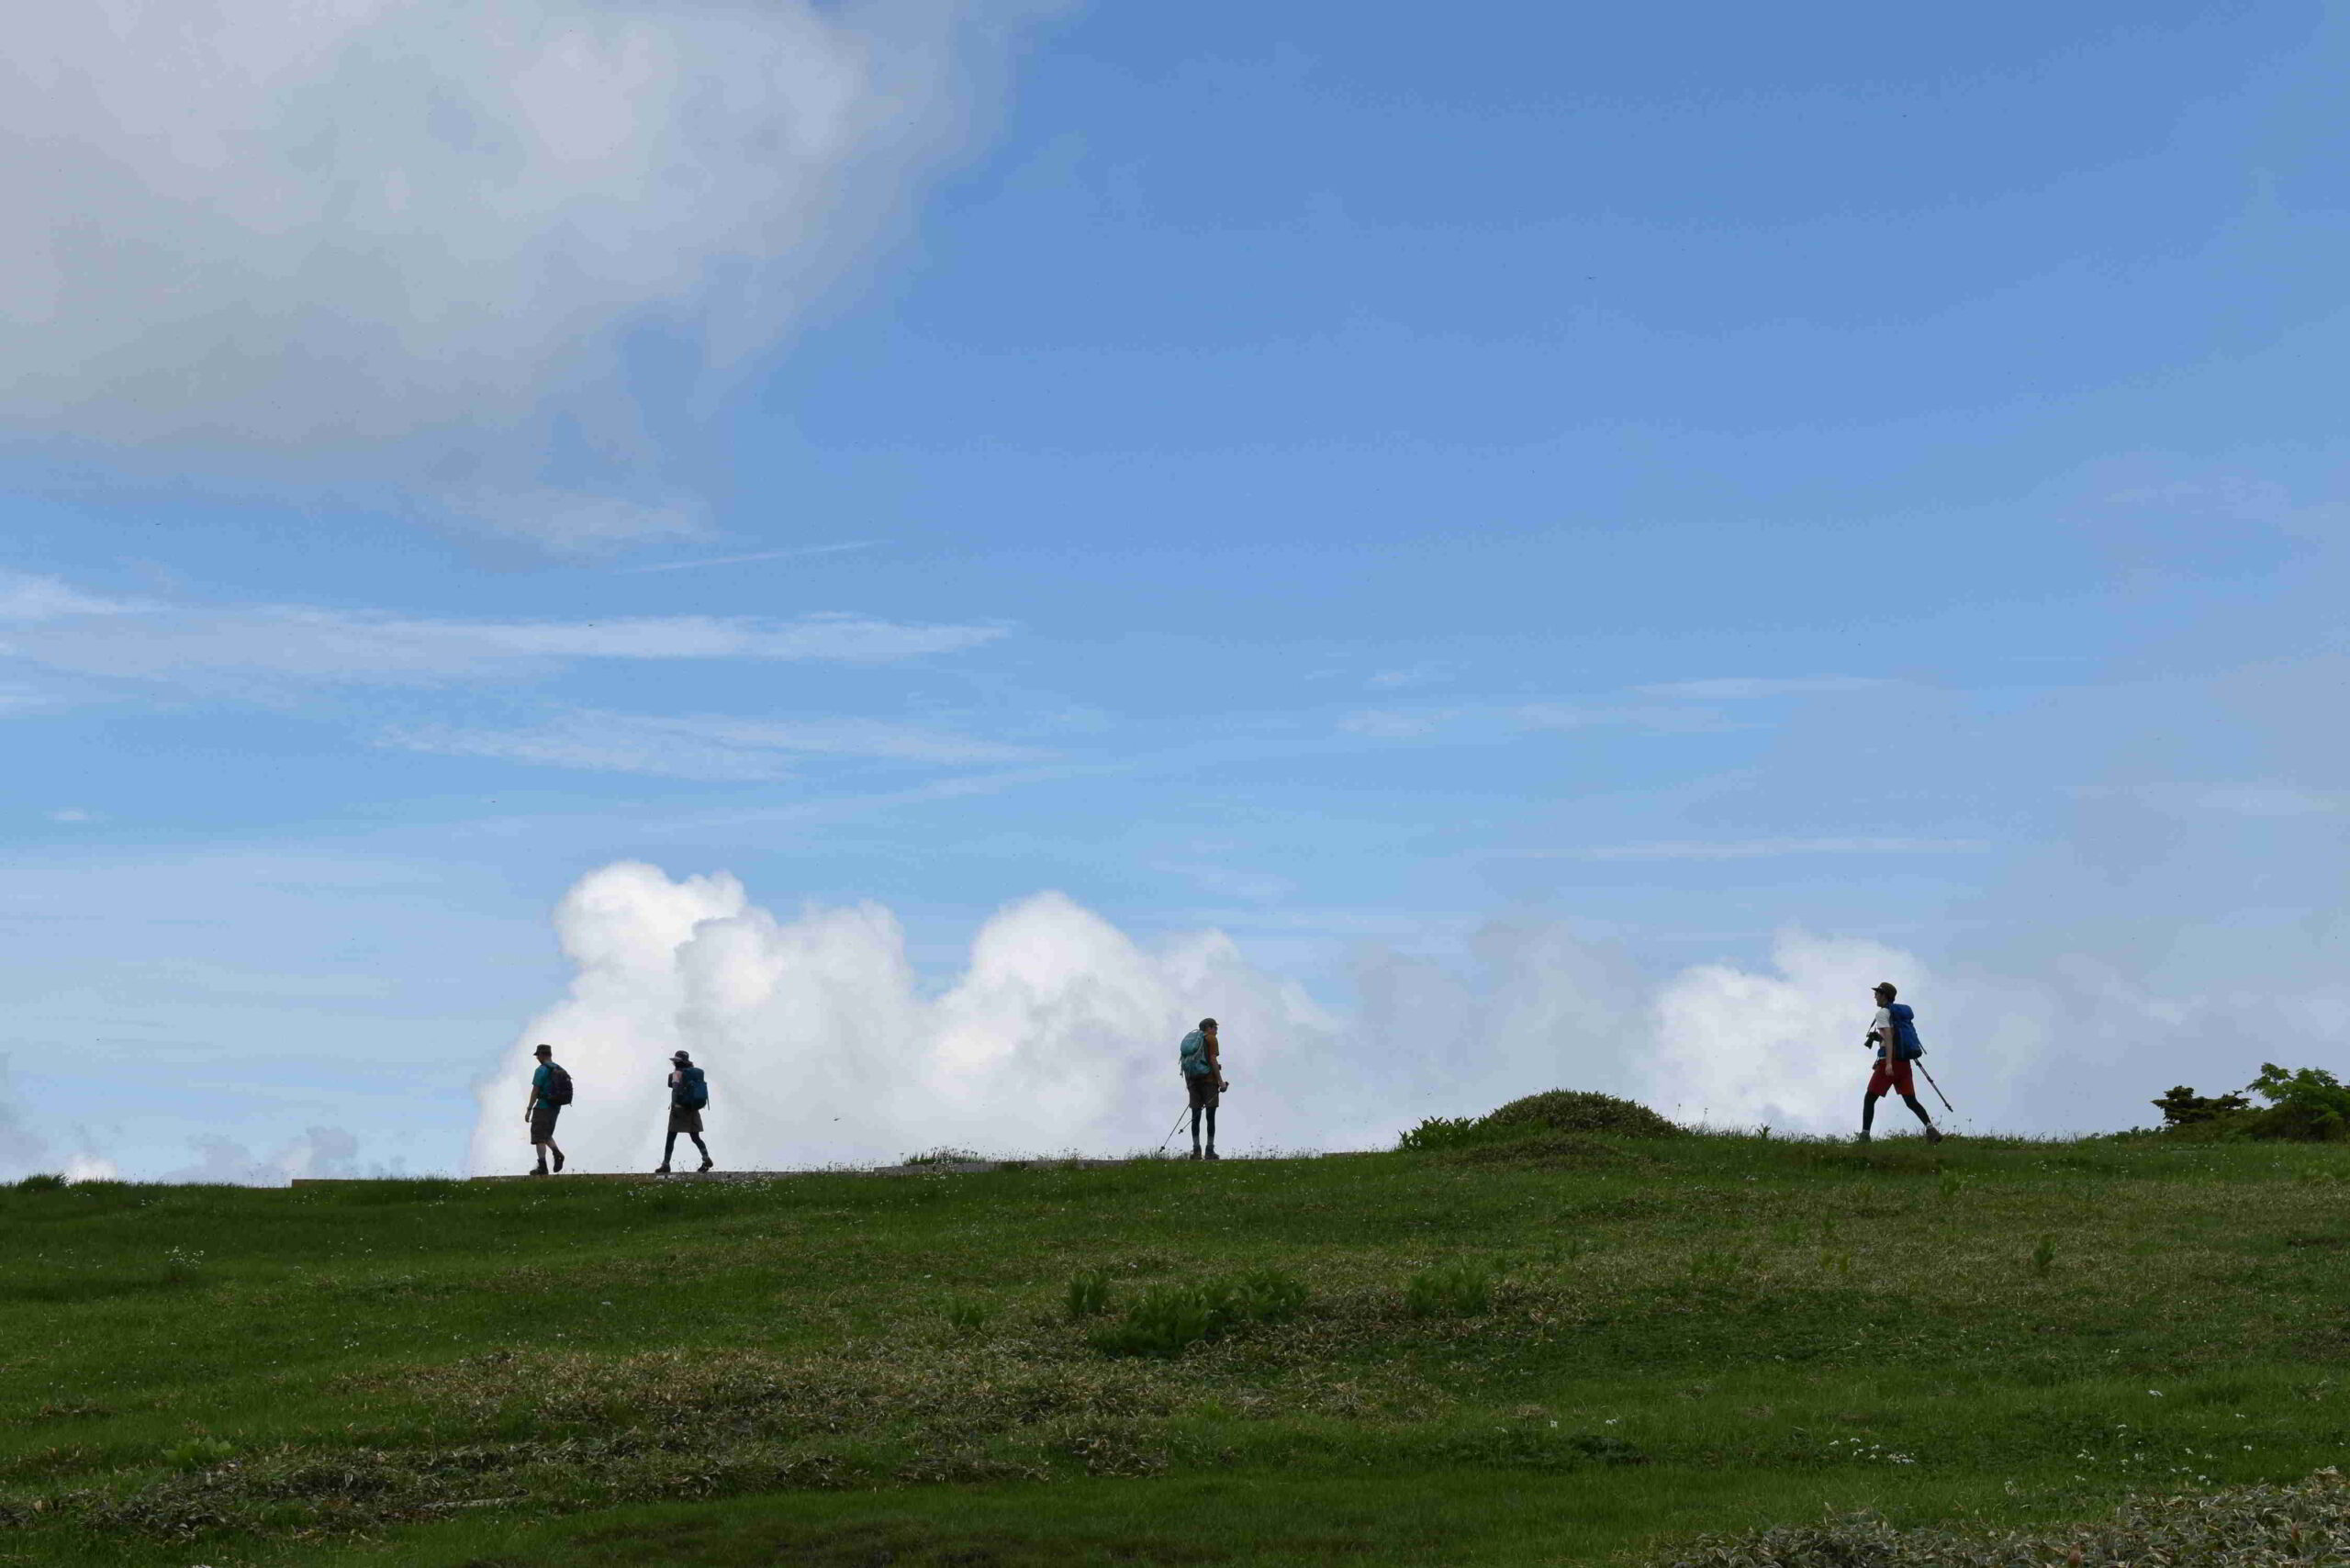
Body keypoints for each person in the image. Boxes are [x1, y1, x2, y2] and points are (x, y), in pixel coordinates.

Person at [1860, 981, 1942, 1144]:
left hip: (1889, 1064)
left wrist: (1889, 1063)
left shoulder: (1882, 1014)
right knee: (1911, 1101)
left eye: (1877, 993)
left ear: (1884, 995)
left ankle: (1864, 1136)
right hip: (1905, 1063)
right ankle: (1931, 1130)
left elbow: (1889, 1038)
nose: (1874, 995)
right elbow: (1892, 1037)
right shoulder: (1898, 1015)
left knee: (1869, 1098)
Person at [655, 1049, 713, 1175]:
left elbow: (675, 1090)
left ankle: (666, 1164)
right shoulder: (693, 1073)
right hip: (693, 1109)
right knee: (695, 1137)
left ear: (678, 1062)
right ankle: (706, 1158)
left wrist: (674, 1106)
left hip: (679, 1108)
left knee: (671, 1136)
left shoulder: (677, 1074)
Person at [1178, 1018, 1225, 1160]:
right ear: (1209, 1028)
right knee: (1210, 1117)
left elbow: (1185, 1064)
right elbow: (1212, 1060)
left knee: (1195, 1117)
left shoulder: (1192, 1042)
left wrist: (1188, 1083)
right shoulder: (1211, 1039)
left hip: (1193, 1082)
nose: (1216, 1031)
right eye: (1215, 1028)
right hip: (1209, 1082)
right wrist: (1221, 1082)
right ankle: (1209, 1151)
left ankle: (1196, 1151)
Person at [524, 1043, 569, 1175]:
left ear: (543, 1055)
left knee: (539, 1137)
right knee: (546, 1135)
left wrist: (529, 1108)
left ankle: (542, 1167)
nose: (537, 1058)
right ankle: (557, 1154)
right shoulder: (559, 1068)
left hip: (543, 1107)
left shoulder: (541, 1070)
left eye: (538, 1055)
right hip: (555, 1108)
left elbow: (535, 1090)